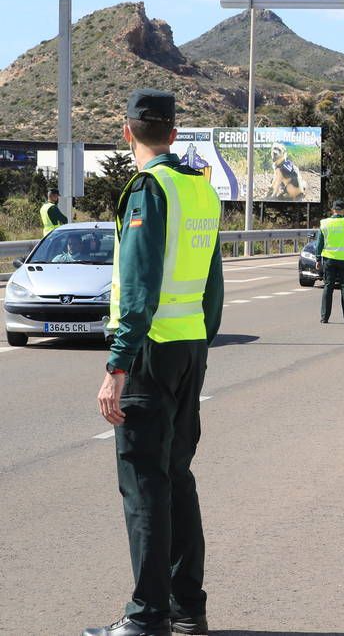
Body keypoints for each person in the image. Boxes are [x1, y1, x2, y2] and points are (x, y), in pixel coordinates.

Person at [88, 88, 224, 636]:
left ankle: (147, 618)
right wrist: (200, 344)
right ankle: (188, 608)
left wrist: (116, 365)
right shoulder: (201, 190)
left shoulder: (147, 189)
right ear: (173, 133)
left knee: (145, 486)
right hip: (189, 349)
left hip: (150, 352)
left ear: (127, 132)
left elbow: (139, 289)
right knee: (176, 477)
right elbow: (213, 285)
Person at [316, 199, 344, 324]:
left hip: (329, 259)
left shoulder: (324, 223)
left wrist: (318, 258)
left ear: (332, 210)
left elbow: (319, 243)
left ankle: (324, 317)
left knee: (328, 287)